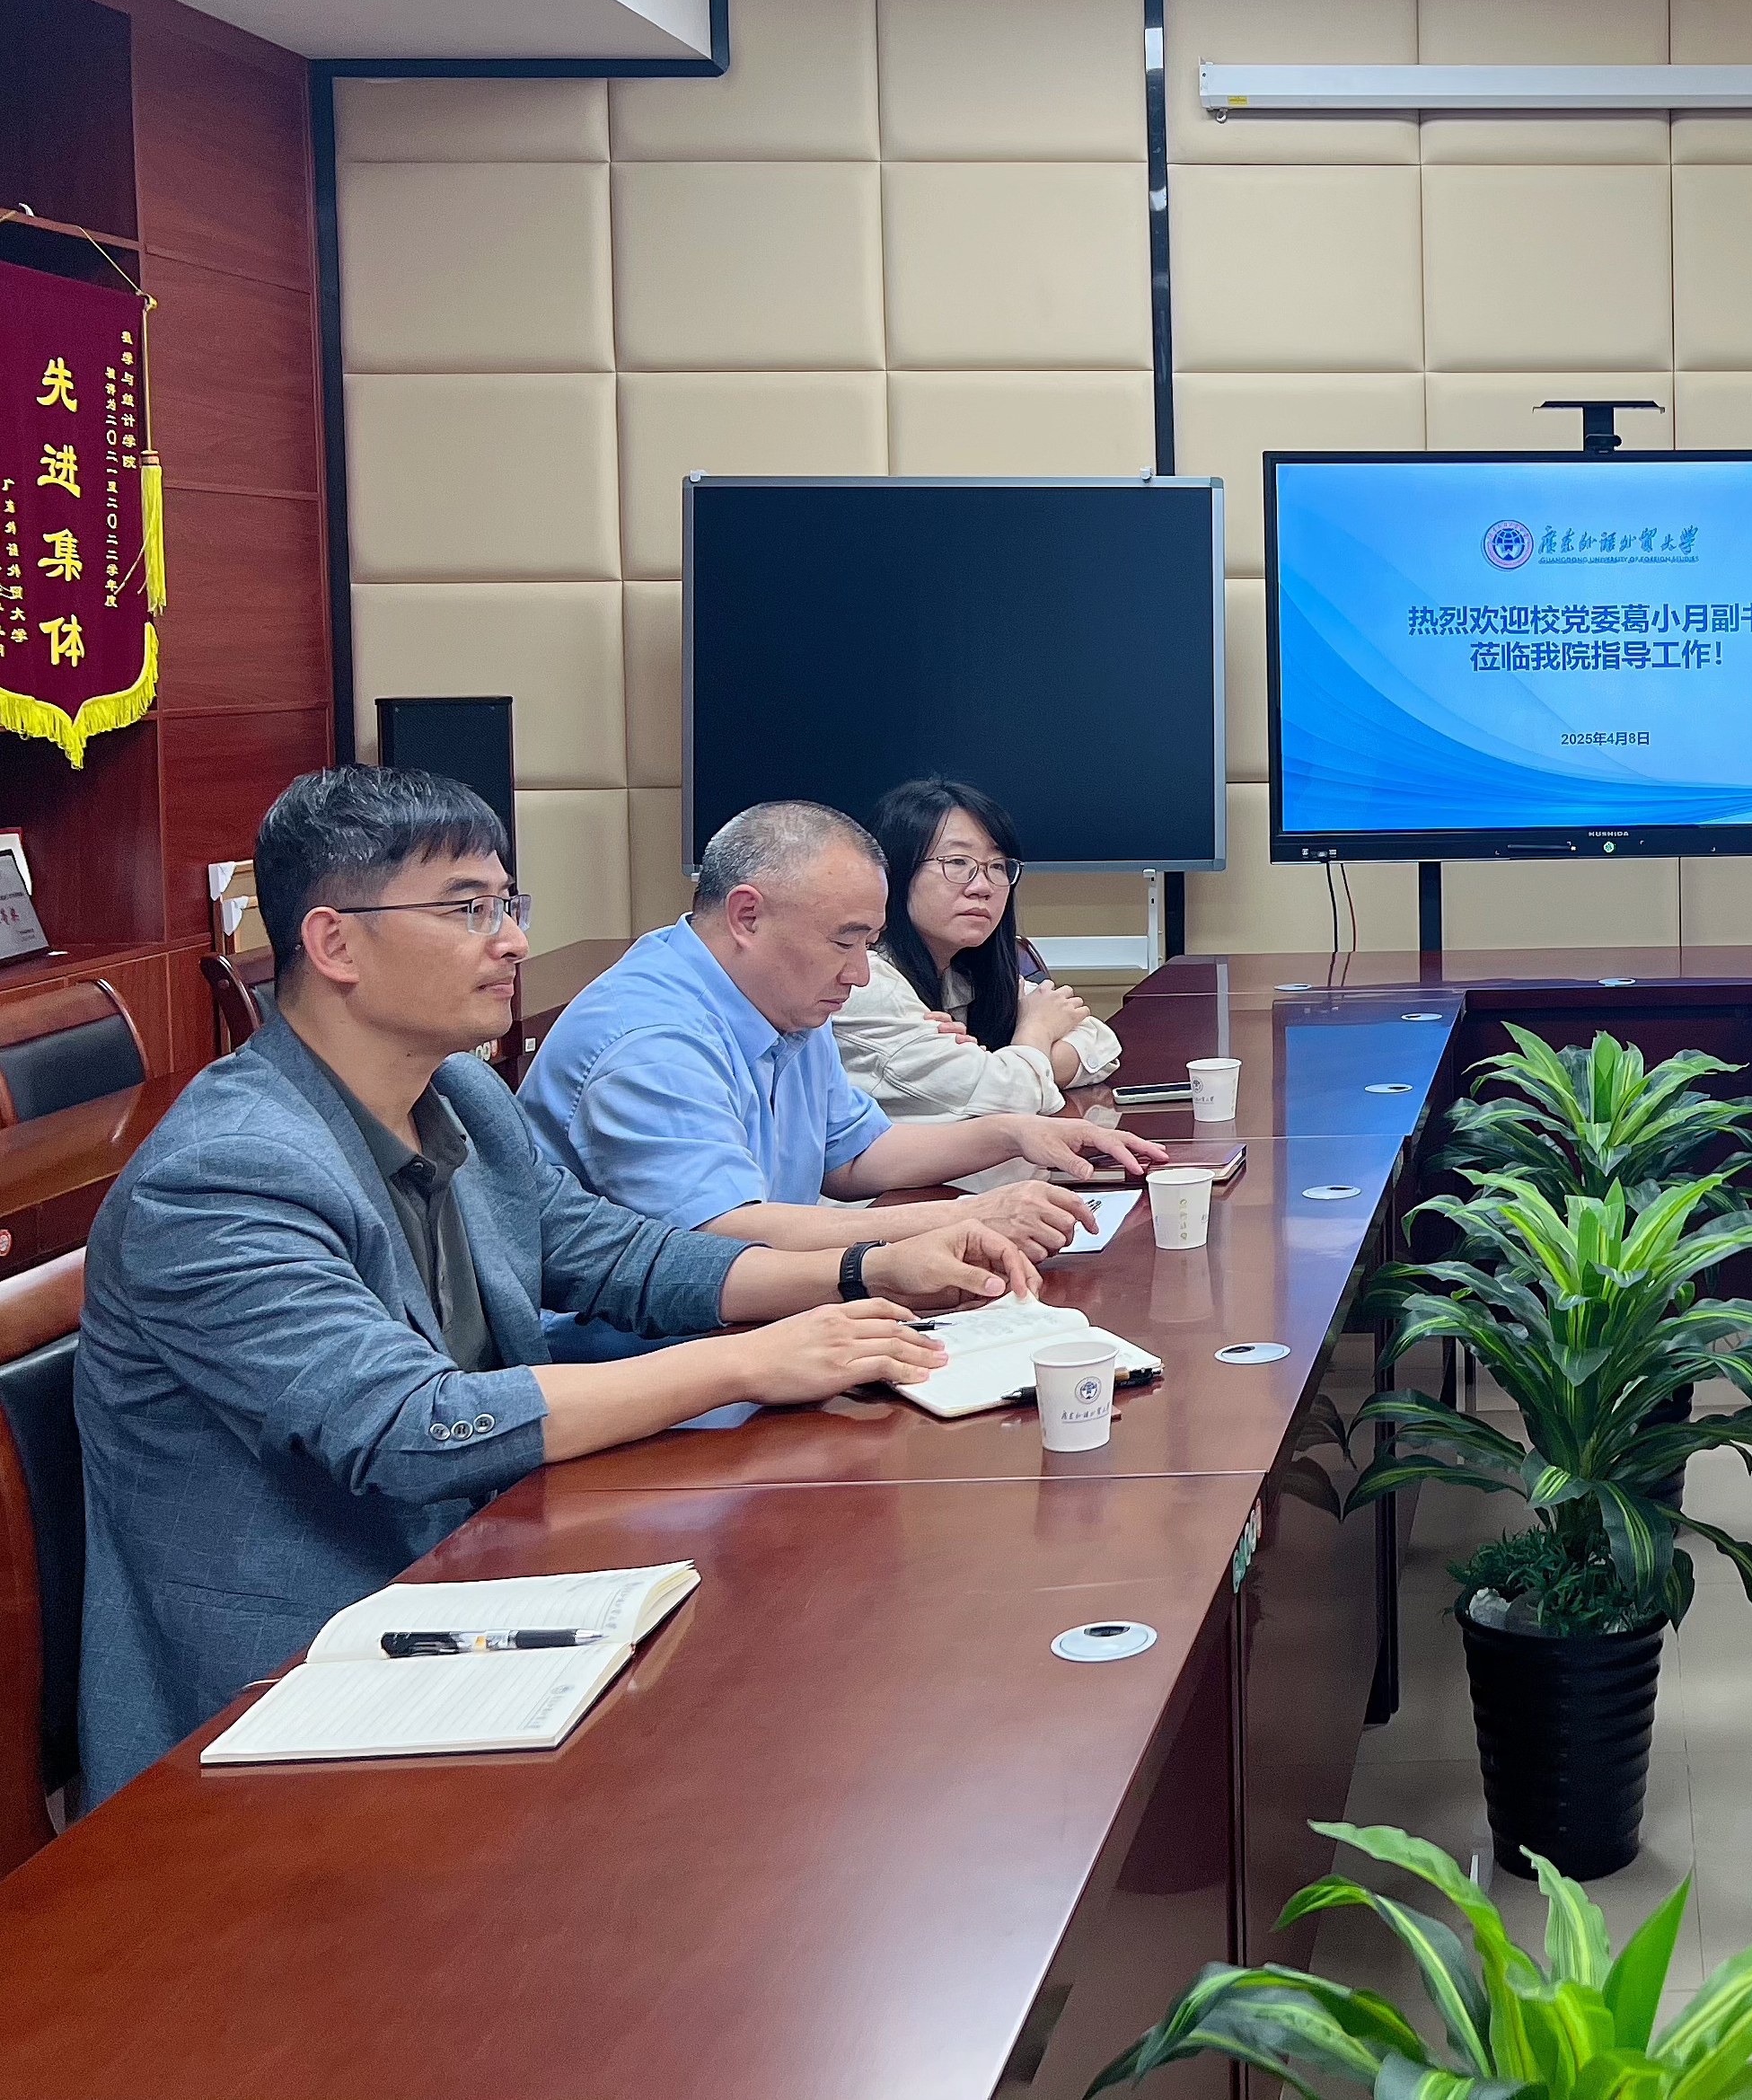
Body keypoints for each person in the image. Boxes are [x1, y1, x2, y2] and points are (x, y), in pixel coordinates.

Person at [75, 769, 1037, 1799]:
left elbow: (618, 1256)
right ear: (335, 944)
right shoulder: (224, 1173)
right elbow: (406, 1428)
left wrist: (862, 1269)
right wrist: (749, 1363)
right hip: (287, 1691)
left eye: (508, 904)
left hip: (484, 1577)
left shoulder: (458, 1095)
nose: (514, 941)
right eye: (468, 910)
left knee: (825, 1681)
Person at [523, 801, 1164, 1265]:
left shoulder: (782, 996)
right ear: (747, 915)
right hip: (651, 1356)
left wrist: (1012, 1133)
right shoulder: (652, 1042)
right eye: (844, 941)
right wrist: (966, 1215)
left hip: (762, 1319)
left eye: (869, 942)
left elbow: (853, 1155)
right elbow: (721, 1238)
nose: (859, 974)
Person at [833, 777, 1121, 1123]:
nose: (982, 887)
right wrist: (1036, 1033)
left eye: (997, 866)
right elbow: (1009, 1099)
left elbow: (1101, 1042)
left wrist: (1006, 1065)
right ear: (895, 872)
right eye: (958, 862)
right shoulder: (865, 983)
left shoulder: (962, 974)